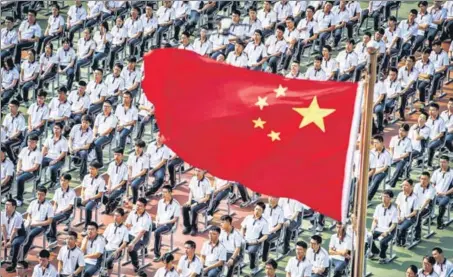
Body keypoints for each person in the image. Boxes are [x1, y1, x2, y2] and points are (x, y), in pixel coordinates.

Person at [20, 186, 54, 265]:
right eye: (38, 194)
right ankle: (15, 254)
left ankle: (22, 258)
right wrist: (29, 221)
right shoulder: (33, 203)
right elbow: (29, 215)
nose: (39, 196)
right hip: (31, 223)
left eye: (42, 195)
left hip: (42, 226)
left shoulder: (48, 206)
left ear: (45, 195)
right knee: (19, 231)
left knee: (30, 235)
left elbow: (49, 221)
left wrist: (37, 223)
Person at [153, 185, 180, 261]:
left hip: (168, 225)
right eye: (163, 192)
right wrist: (157, 221)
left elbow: (175, 219)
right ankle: (143, 248)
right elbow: (158, 214)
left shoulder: (176, 205)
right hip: (159, 222)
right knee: (146, 226)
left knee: (157, 232)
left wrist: (163, 223)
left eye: (165, 192)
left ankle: (157, 255)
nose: (163, 194)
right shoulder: (160, 202)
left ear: (170, 193)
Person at [241, 201, 270, 275]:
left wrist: (257, 241)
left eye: (259, 210)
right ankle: (240, 263)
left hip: (255, 242)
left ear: (262, 211)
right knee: (236, 247)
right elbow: (243, 228)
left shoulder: (264, 222)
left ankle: (253, 267)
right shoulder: (248, 218)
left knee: (251, 251)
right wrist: (242, 236)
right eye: (256, 209)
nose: (257, 211)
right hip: (245, 240)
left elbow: (265, 236)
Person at [369, 190, 398, 264]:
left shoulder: (394, 209)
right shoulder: (378, 207)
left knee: (382, 242)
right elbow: (375, 220)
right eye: (383, 196)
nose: (384, 198)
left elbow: (394, 224)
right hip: (378, 228)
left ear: (391, 198)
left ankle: (383, 257)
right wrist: (372, 229)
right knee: (368, 237)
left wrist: (387, 232)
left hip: (389, 231)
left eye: (386, 197)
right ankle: (376, 252)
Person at [77, 161, 106, 234]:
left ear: (97, 170)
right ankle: (69, 221)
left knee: (88, 208)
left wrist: (88, 199)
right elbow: (83, 188)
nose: (90, 171)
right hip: (85, 197)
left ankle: (87, 227)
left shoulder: (101, 180)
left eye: (92, 169)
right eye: (90, 169)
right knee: (72, 201)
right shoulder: (86, 177)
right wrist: (83, 197)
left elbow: (99, 194)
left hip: (94, 200)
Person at [47, 174, 76, 245]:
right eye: (61, 180)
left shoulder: (72, 192)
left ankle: (53, 239)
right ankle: (50, 235)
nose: (62, 182)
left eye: (64, 180)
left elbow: (69, 207)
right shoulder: (57, 191)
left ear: (68, 181)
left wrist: (61, 211)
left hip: (66, 213)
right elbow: (55, 204)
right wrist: (53, 212)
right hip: (57, 212)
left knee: (53, 220)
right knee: (47, 217)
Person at [182, 169, 212, 236]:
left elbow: (207, 197)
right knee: (184, 207)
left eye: (199, 171)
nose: (197, 172)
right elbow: (191, 192)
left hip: (203, 202)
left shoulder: (207, 182)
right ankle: (187, 226)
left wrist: (197, 203)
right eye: (196, 170)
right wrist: (189, 201)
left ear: (203, 172)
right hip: (194, 199)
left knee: (194, 209)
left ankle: (194, 227)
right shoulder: (193, 179)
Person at [125, 197, 152, 273]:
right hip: (130, 234)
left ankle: (136, 265)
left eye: (140, 205)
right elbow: (127, 224)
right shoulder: (132, 213)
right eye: (137, 205)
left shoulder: (147, 217)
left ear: (145, 207)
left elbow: (141, 232)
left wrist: (132, 243)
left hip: (141, 239)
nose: (138, 207)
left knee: (131, 249)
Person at [15, 135, 42, 206]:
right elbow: (19, 161)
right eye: (29, 141)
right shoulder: (24, 149)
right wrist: (18, 170)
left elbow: (35, 167)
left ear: (36, 143)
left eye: (32, 142)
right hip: (22, 170)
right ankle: (7, 195)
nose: (30, 143)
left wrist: (23, 171)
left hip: (31, 173)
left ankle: (19, 199)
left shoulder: (38, 153)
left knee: (20, 179)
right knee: (8, 175)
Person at [1, 199, 26, 273]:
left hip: (19, 235)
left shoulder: (18, 216)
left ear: (14, 207)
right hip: (8, 234)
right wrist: (5, 240)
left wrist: (10, 241)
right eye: (5, 204)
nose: (6, 206)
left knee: (15, 243)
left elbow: (15, 231)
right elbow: (3, 227)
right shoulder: (2, 214)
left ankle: (13, 264)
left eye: (8, 205)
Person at [103, 208, 129, 277]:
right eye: (114, 215)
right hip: (106, 247)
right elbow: (103, 237)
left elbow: (124, 243)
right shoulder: (110, 226)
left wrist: (117, 251)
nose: (115, 217)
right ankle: (103, 272)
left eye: (117, 216)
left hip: (116, 250)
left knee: (108, 261)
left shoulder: (125, 229)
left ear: (122, 217)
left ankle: (108, 275)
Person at [41, 122, 68, 188]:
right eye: (54, 128)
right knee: (39, 163)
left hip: (59, 159)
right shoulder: (49, 137)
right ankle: (38, 181)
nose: (55, 130)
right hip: (48, 157)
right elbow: (45, 147)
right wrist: (41, 157)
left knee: (52, 168)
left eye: (57, 128)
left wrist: (55, 160)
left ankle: (54, 181)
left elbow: (63, 153)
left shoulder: (64, 140)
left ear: (61, 130)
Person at [431, 155, 453, 230]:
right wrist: (435, 191)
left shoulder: (452, 173)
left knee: (442, 204)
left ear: (448, 163)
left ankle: (439, 221)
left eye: (444, 162)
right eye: (440, 162)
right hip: (436, 194)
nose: (441, 164)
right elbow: (432, 183)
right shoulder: (436, 172)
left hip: (447, 195)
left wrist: (445, 193)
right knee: (428, 200)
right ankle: (430, 216)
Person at [68, 115, 94, 180]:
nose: (84, 124)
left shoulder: (90, 132)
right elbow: (70, 139)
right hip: (72, 146)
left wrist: (79, 148)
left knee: (84, 154)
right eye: (83, 122)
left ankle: (83, 176)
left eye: (86, 123)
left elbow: (87, 146)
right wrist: (70, 148)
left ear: (89, 124)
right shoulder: (75, 127)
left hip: (81, 149)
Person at [395, 179, 419, 246]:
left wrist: (405, 217)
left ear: (411, 186)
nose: (404, 187)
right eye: (403, 185)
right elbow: (398, 207)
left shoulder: (415, 197)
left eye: (406, 185)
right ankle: (397, 239)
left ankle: (402, 240)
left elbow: (414, 212)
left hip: (410, 218)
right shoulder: (400, 194)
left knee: (402, 228)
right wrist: (398, 216)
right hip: (401, 216)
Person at [92, 100, 116, 166]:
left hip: (107, 136)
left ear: (111, 108)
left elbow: (109, 130)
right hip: (97, 134)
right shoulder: (99, 115)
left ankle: (100, 163)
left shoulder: (113, 117)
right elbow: (95, 126)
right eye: (104, 106)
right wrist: (94, 135)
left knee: (97, 144)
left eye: (107, 107)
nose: (105, 108)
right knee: (87, 141)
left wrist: (100, 135)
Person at [104, 147, 128, 214]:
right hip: (112, 186)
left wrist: (113, 188)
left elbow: (124, 181)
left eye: (118, 155)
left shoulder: (125, 166)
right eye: (115, 154)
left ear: (122, 156)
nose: (116, 156)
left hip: (121, 188)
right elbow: (109, 178)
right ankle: (112, 202)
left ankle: (112, 204)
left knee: (111, 197)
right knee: (99, 192)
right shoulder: (111, 165)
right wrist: (109, 187)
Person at [262, 196, 284, 262]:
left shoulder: (280, 210)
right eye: (269, 197)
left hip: (275, 231)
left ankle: (264, 259)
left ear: (277, 199)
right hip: (264, 229)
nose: (271, 199)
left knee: (266, 239)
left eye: (273, 197)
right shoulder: (265, 207)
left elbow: (279, 225)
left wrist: (270, 231)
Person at [128, 140, 149, 204]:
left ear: (142, 148)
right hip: (132, 175)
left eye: (139, 147)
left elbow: (144, 171)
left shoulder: (146, 157)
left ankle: (135, 201)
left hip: (141, 176)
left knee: (134, 185)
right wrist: (130, 175)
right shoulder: (131, 155)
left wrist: (134, 177)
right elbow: (130, 167)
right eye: (136, 146)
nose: (137, 148)